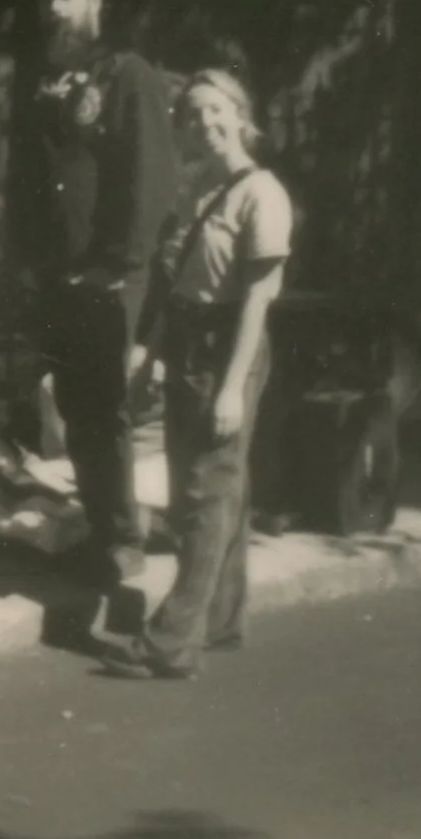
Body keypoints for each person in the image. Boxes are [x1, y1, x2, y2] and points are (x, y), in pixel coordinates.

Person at [98, 64, 294, 680]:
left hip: (227, 346)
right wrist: (152, 356)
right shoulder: (195, 188)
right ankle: (221, 619)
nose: (205, 123)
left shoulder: (263, 194)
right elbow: (177, 284)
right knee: (208, 490)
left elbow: (257, 302)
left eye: (217, 111)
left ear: (241, 116)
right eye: (193, 115)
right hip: (186, 340)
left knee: (208, 492)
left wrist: (232, 387)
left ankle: (171, 641)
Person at [8, 0, 178, 593]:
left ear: (95, 0)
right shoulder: (41, 83)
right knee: (78, 408)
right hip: (59, 275)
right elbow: (24, 180)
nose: (54, 8)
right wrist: (26, 261)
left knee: (105, 408)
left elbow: (151, 181)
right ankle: (108, 533)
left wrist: (119, 266)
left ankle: (124, 545)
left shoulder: (128, 75)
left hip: (108, 274)